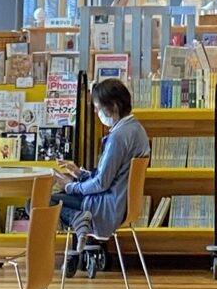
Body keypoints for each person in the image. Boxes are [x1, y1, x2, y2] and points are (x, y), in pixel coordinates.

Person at [49, 79, 150, 272]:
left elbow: (102, 183)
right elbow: (112, 176)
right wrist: (79, 173)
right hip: (120, 204)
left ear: (113, 106)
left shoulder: (118, 137)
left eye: (98, 107)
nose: (96, 112)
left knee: (40, 201)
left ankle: (78, 221)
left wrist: (69, 186)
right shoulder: (136, 129)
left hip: (105, 206)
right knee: (52, 200)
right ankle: (79, 221)